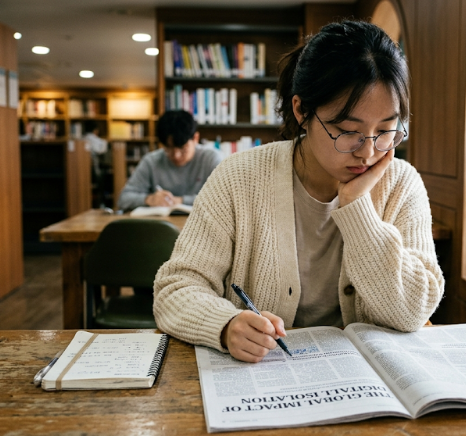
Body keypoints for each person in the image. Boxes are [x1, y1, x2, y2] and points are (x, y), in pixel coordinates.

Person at [153, 21, 444, 363]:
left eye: (386, 131)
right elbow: (176, 288)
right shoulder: (239, 178)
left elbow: (412, 312)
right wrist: (226, 324)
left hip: (366, 384)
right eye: (348, 131)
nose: (368, 152)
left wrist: (357, 209)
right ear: (301, 110)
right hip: (260, 379)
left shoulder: (401, 184)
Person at [117, 110, 223, 210]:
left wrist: (180, 201)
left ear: (195, 138)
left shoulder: (211, 159)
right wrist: (149, 199)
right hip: (160, 228)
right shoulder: (151, 161)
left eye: (182, 148)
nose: (176, 155)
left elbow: (224, 199)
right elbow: (124, 199)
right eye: (169, 148)